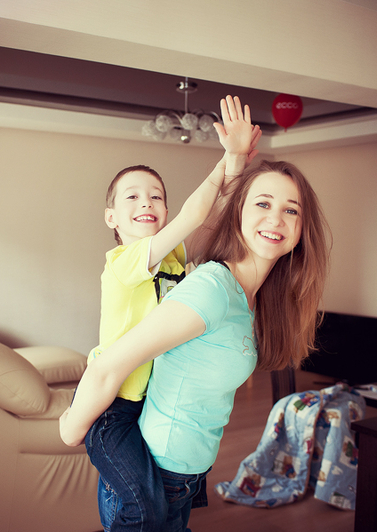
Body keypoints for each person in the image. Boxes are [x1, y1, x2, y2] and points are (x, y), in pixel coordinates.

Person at [61, 159, 330, 532]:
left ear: (302, 227)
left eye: (291, 210)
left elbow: (206, 222)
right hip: (153, 462)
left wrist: (235, 165)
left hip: (185, 475)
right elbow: (107, 367)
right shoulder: (205, 286)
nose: (276, 218)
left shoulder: (235, 291)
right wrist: (71, 429)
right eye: (263, 203)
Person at [84, 96, 261, 532]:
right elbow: (196, 214)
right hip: (113, 407)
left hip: (148, 401)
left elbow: (216, 219)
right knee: (146, 512)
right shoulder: (122, 262)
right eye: (133, 196)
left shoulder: (173, 258)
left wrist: (237, 166)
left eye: (156, 196)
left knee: (169, 513)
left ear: (163, 210)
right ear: (111, 217)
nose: (146, 202)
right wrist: (227, 156)